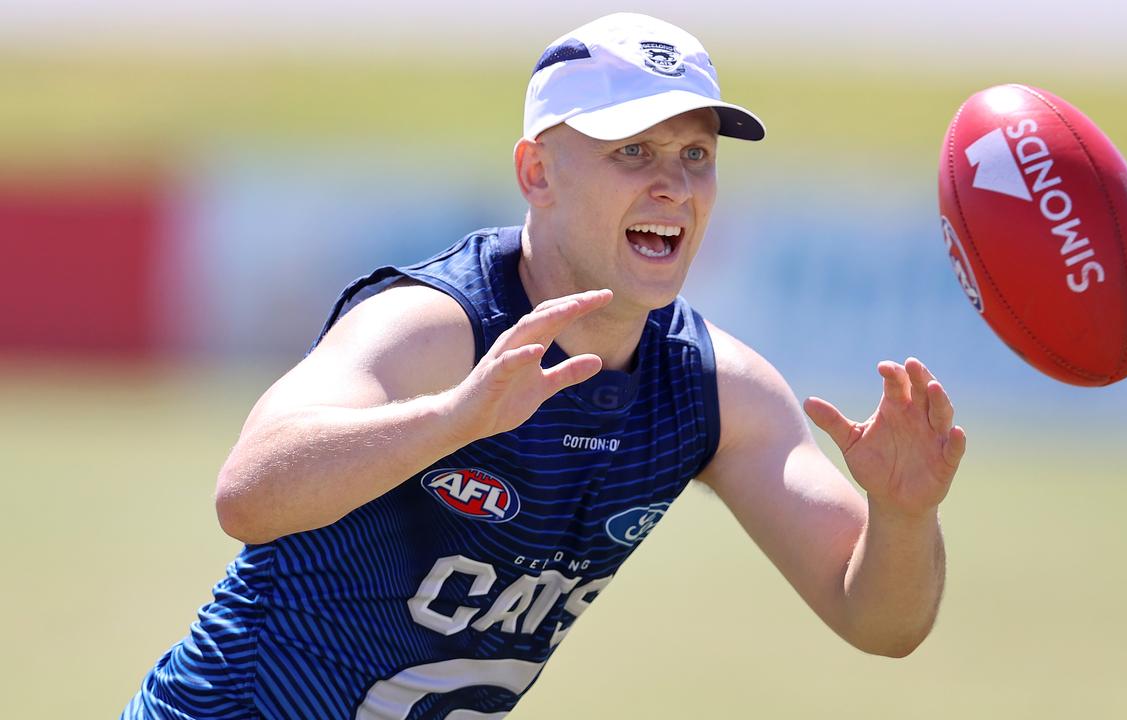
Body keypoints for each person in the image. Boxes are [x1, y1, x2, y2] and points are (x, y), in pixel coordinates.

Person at [123, 12, 966, 719]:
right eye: (632, 152)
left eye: (696, 155)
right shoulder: (434, 327)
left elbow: (878, 622)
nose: (674, 184)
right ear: (537, 173)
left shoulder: (713, 390)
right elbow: (248, 494)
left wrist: (901, 515)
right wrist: (456, 418)